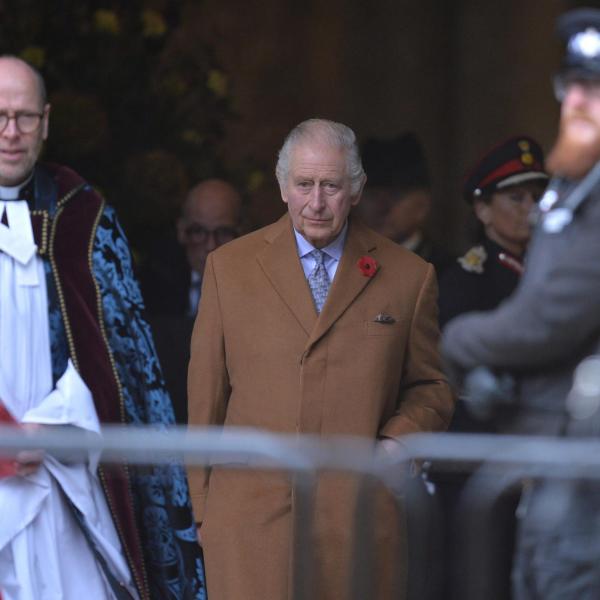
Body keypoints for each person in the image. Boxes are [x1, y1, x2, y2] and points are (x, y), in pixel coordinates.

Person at [187, 118, 454, 600]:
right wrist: (202, 510)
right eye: (304, 184)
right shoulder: (228, 268)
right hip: (249, 521)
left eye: (330, 186)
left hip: (358, 518)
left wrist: (398, 442)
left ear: (356, 189)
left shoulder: (409, 276)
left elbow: (431, 387)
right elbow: (206, 398)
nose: (316, 202)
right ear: (282, 186)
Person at [0, 56, 205, 599]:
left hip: (64, 487)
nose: (11, 133)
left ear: (45, 123)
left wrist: (59, 427)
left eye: (24, 117)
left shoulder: (83, 218)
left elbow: (123, 367)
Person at [441, 8, 600, 598]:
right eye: (573, 86)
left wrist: (461, 343)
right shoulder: (573, 185)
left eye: (598, 89)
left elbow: (553, 316)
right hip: (553, 463)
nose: (582, 102)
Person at [140, 179, 242, 422]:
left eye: (223, 233)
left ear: (243, 232)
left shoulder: (262, 291)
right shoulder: (152, 287)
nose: (210, 246)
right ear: (181, 232)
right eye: (198, 232)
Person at [359, 133, 454, 276]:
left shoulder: (448, 273)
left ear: (423, 204)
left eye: (395, 196)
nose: (382, 207)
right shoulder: (341, 266)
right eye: (372, 195)